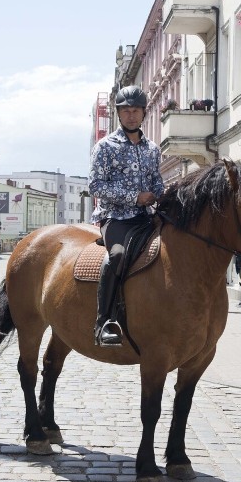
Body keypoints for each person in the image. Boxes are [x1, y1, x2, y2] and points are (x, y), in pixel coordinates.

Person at [89, 85, 165, 346]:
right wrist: (134, 197)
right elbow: (96, 187)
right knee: (118, 256)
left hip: (146, 217)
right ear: (118, 114)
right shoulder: (105, 147)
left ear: (144, 113)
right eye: (126, 111)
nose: (131, 115)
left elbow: (157, 182)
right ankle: (104, 322)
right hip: (115, 218)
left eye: (136, 111)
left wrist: (161, 195)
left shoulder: (152, 150)